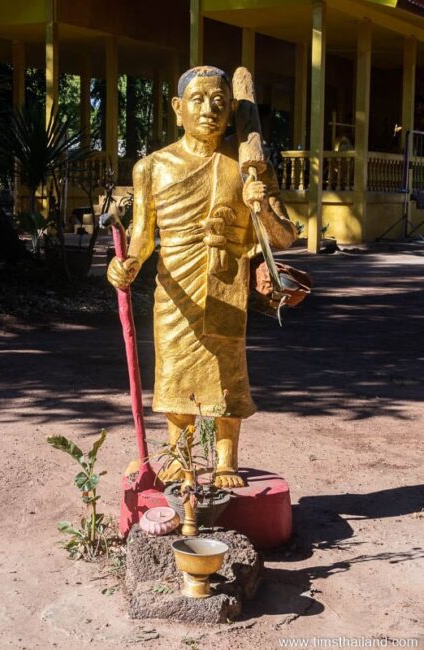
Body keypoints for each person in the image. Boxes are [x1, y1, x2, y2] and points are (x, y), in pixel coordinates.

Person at [107, 65, 297, 488]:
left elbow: (284, 237)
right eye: (197, 100)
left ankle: (227, 461)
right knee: (175, 369)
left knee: (228, 371)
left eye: (219, 102)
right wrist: (128, 264)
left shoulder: (250, 167)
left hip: (226, 279)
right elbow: (143, 236)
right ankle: (180, 456)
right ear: (177, 109)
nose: (209, 110)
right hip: (175, 285)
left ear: (232, 110)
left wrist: (261, 206)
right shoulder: (152, 167)